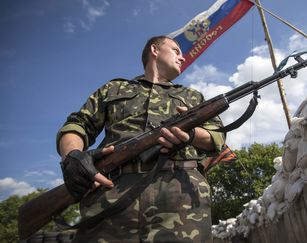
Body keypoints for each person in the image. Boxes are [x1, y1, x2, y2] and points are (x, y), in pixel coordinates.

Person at [57, 35, 225, 242]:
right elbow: (78, 124)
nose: (182, 58)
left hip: (182, 195)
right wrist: (72, 156)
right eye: (176, 50)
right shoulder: (114, 89)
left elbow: (216, 136)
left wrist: (190, 134)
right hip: (111, 193)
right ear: (154, 50)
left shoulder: (192, 96)